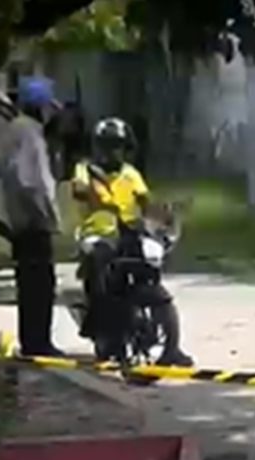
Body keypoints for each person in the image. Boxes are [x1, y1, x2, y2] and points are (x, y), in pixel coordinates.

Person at [71, 117, 193, 367]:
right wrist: (98, 199)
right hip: (97, 233)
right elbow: (78, 190)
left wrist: (166, 216)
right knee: (99, 261)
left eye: (117, 146)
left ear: (126, 148)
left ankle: (172, 345)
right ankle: (100, 326)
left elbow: (146, 202)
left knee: (149, 264)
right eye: (106, 146)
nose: (111, 151)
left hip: (129, 232)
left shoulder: (130, 174)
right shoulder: (86, 169)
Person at [0, 76, 64, 357]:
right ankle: (39, 344)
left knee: (29, 282)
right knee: (40, 284)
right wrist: (45, 216)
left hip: (19, 219)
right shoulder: (30, 133)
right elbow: (29, 182)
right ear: (42, 107)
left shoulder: (15, 130)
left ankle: (32, 341)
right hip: (33, 222)